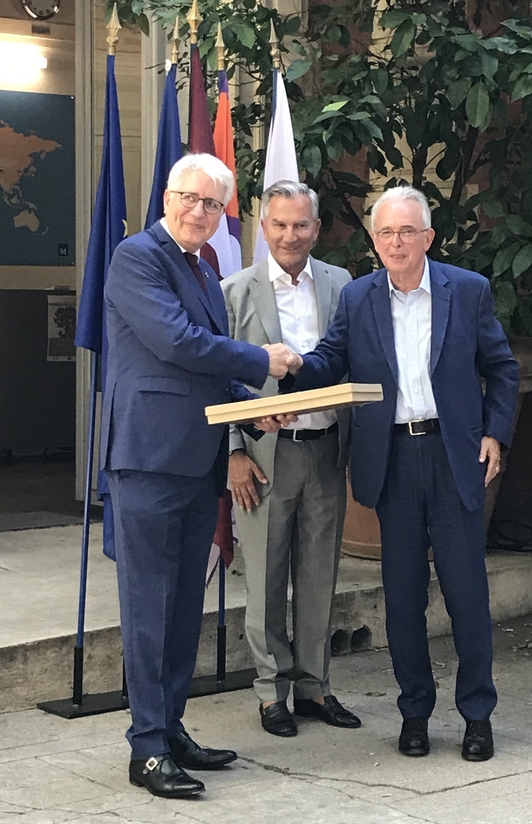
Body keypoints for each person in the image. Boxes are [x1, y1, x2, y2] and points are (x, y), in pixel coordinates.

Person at [283, 185, 520, 761]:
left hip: (453, 457)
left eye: (407, 232)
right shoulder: (360, 298)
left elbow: (503, 368)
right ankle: (415, 713)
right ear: (374, 239)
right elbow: (327, 361)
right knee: (402, 599)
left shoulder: (466, 290)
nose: (396, 242)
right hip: (391, 459)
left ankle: (477, 716)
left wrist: (495, 433)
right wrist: (287, 376)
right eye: (386, 232)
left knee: (467, 596)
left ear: (427, 238)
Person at [100, 153, 295, 799]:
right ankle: (147, 749)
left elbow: (208, 371)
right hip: (151, 461)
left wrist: (257, 405)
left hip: (198, 459)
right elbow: (177, 342)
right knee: (150, 610)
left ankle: (171, 727)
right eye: (190, 198)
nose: (200, 213)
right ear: (167, 196)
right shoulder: (138, 257)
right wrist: (262, 360)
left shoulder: (206, 266)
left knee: (185, 608)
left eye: (213, 205)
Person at [222, 180, 360, 737]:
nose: (289, 235)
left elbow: (351, 359)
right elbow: (221, 376)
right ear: (263, 226)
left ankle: (314, 687)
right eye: (278, 224)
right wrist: (232, 450)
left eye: (301, 224)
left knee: (318, 574)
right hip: (262, 457)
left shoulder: (341, 284)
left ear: (317, 229)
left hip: (325, 449)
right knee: (266, 575)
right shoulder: (235, 291)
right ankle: (269, 692)